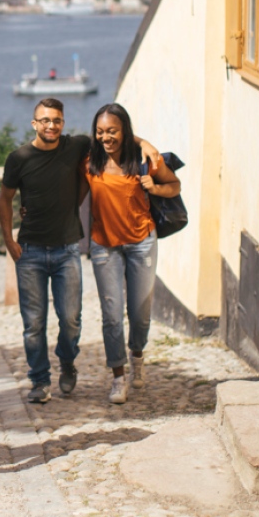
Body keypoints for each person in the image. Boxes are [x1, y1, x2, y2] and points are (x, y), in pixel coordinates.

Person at [0, 97, 159, 404]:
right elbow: (4, 199)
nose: (51, 125)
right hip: (29, 251)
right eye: (45, 120)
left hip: (67, 250)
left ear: (63, 123)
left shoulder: (77, 147)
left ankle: (68, 363)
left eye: (56, 120)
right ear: (35, 124)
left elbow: (114, 133)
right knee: (34, 324)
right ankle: (40, 380)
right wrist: (9, 241)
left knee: (71, 320)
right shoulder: (19, 158)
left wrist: (146, 143)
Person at [84, 103, 180, 404]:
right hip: (104, 245)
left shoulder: (143, 159)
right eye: (100, 131)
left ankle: (137, 356)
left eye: (112, 131)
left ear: (125, 130)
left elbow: (174, 186)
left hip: (141, 242)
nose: (105, 137)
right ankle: (118, 377)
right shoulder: (88, 161)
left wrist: (154, 187)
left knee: (139, 314)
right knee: (111, 315)